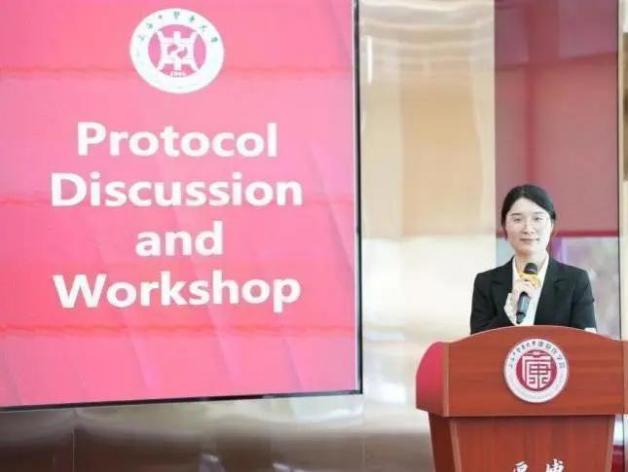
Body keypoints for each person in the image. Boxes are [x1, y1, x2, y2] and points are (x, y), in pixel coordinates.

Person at [470, 184, 597, 334]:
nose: (528, 228)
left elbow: (586, 343)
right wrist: (509, 315)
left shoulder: (575, 281)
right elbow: (477, 345)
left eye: (537, 218)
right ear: (504, 225)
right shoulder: (486, 283)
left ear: (551, 225)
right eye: (517, 219)